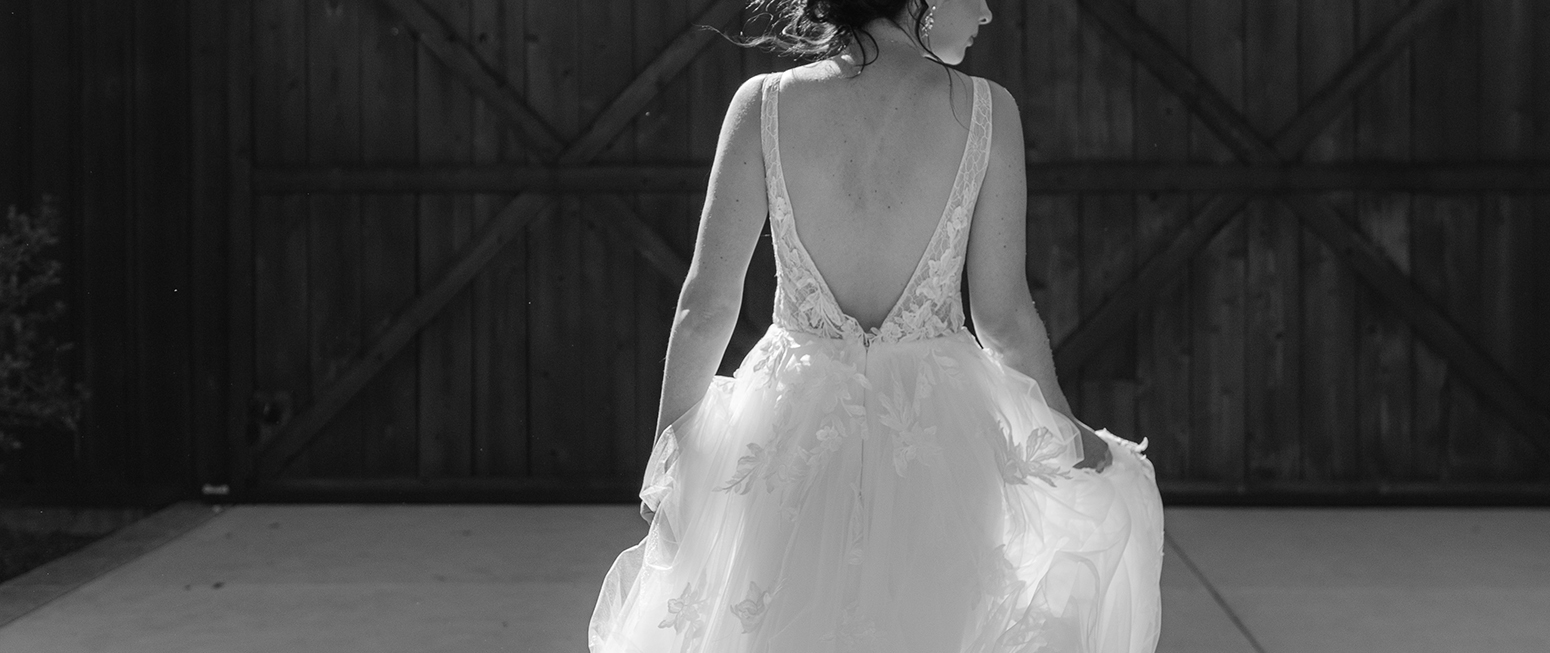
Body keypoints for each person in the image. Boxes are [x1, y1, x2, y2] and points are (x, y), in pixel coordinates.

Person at [589, 0, 1163, 650]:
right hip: (939, 434)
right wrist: (1064, 430)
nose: (988, 13)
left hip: (784, 429)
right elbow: (1001, 316)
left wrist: (670, 463)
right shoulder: (986, 111)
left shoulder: (765, 104)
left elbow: (706, 306)